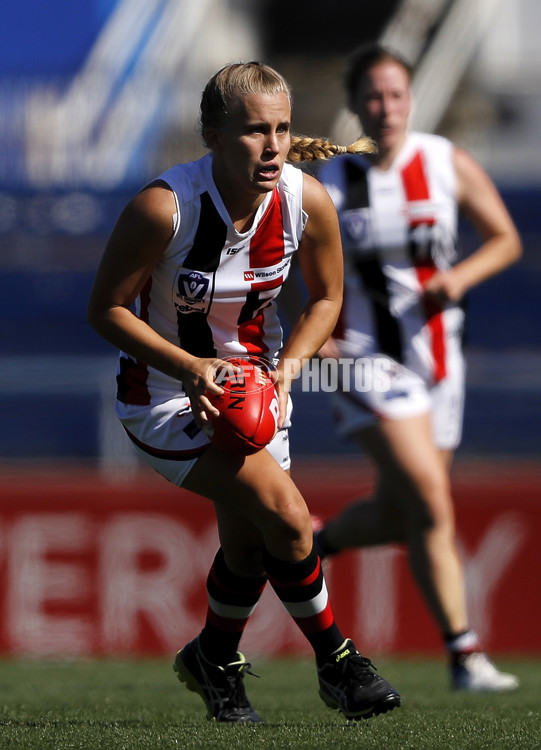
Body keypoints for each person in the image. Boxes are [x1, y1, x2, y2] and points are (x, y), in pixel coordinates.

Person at [87, 61, 401, 723]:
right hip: (166, 395)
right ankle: (340, 664)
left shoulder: (304, 199)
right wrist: (193, 369)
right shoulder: (164, 207)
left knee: (251, 548)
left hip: (257, 391)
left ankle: (214, 661)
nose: (274, 144)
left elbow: (328, 299)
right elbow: (106, 310)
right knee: (287, 515)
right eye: (255, 131)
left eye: (282, 129)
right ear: (213, 135)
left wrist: (286, 371)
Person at [312, 43, 522, 692]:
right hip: (361, 361)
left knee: (409, 513)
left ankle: (308, 546)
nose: (386, 107)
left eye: (396, 94)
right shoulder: (332, 180)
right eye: (373, 96)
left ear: (412, 99)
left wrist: (457, 278)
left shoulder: (443, 160)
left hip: (438, 361)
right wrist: (313, 336)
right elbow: (296, 263)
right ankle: (465, 656)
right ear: (354, 105)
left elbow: (505, 239)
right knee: (432, 502)